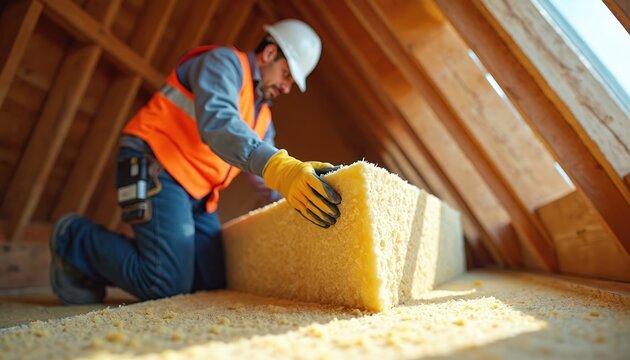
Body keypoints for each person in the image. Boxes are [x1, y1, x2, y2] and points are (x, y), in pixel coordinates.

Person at [49, 19, 342, 305]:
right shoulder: (223, 63)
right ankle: (73, 239)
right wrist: (279, 167)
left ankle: (131, 257)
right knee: (166, 283)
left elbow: (269, 176)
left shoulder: (263, 116)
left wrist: (304, 197)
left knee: (212, 279)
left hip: (198, 192)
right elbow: (220, 124)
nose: (287, 87)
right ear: (269, 54)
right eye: (287, 75)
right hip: (157, 163)